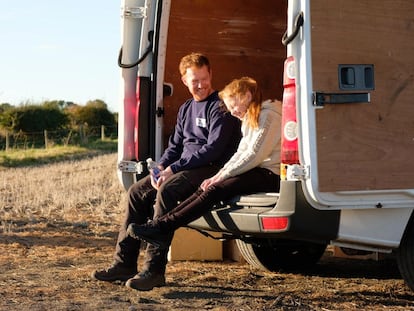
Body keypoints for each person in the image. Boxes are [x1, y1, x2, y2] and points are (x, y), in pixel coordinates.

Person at [92, 53, 241, 291]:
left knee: (168, 191)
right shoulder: (186, 109)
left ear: (211, 74)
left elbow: (213, 150)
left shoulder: (220, 106)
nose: (201, 85)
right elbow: (175, 146)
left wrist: (174, 169)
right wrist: (160, 166)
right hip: (185, 165)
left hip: (211, 167)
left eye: (204, 78)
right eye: (195, 81)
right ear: (184, 80)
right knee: (135, 192)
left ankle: (154, 270)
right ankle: (124, 263)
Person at [127, 77, 281, 254]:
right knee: (207, 187)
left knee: (215, 190)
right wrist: (218, 175)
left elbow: (253, 155)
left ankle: (161, 227)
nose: (232, 112)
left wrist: (221, 176)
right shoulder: (251, 118)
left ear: (246, 96)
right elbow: (241, 152)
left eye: (233, 106)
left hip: (270, 173)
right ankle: (160, 226)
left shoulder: (269, 116)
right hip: (256, 171)